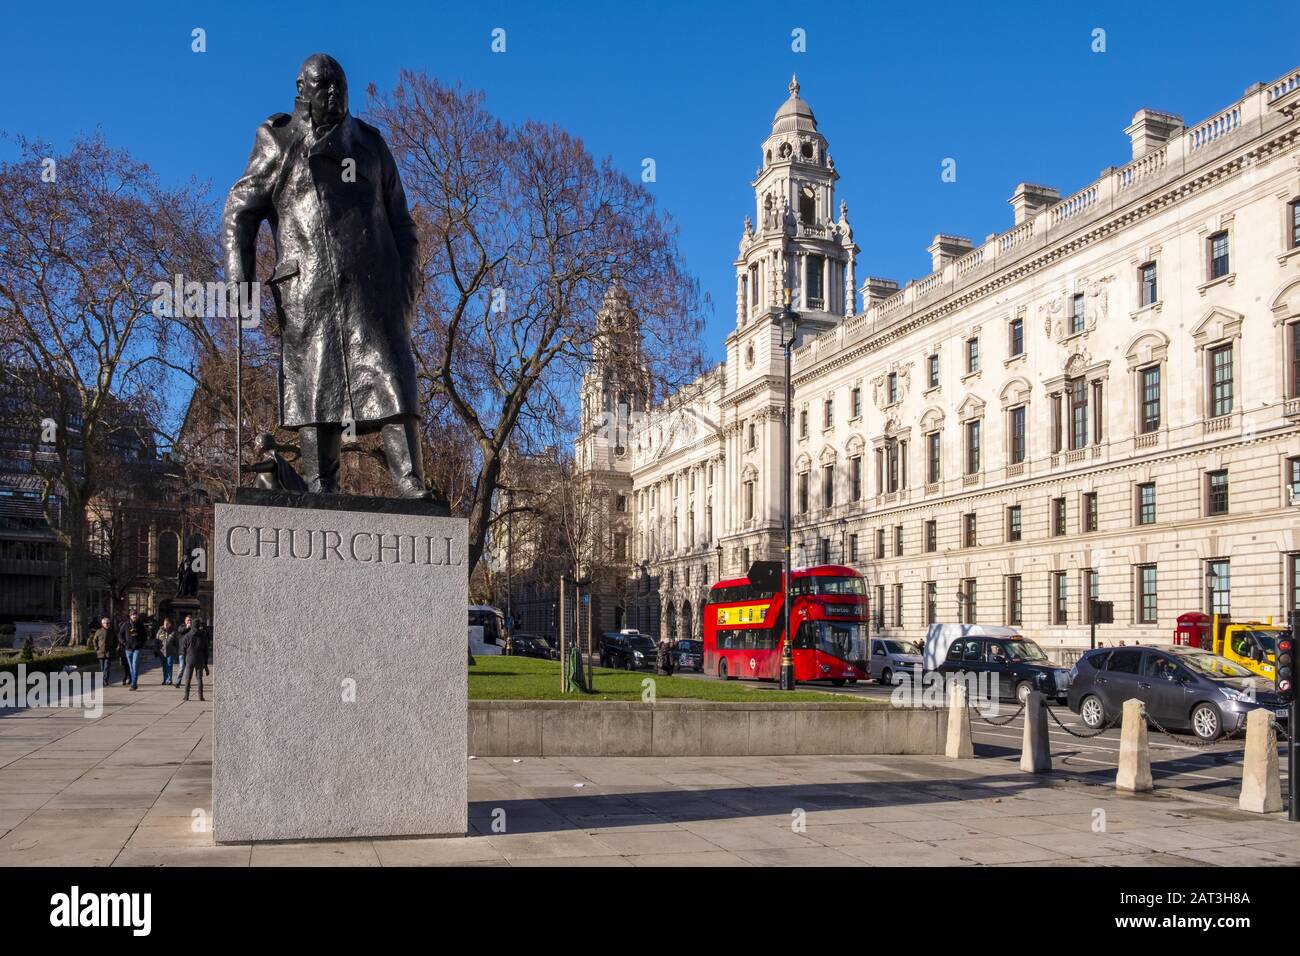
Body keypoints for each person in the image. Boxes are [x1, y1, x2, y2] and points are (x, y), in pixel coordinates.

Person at [179, 616, 210, 702]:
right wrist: (206, 663)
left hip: (189, 659)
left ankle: (186, 696)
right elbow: (206, 650)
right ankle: (200, 696)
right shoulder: (203, 636)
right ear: (199, 625)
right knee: (199, 678)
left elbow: (183, 649)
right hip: (200, 659)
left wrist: (185, 659)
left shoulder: (187, 636)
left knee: (188, 678)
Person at [156, 617, 177, 686]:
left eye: (168, 624)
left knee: (169, 665)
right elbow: (157, 641)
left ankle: (169, 680)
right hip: (162, 652)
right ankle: (165, 679)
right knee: (164, 666)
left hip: (170, 652)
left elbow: (176, 642)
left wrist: (177, 650)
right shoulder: (160, 631)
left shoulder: (173, 631)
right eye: (165, 624)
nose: (166, 625)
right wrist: (156, 650)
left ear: (170, 624)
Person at [93, 617, 114, 684]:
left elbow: (116, 640)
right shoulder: (98, 631)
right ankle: (103, 679)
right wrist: (96, 648)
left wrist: (114, 648)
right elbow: (94, 640)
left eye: (108, 623)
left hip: (109, 652)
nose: (108, 624)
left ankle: (105, 680)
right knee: (102, 668)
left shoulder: (112, 631)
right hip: (100, 652)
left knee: (106, 667)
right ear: (103, 624)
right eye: (106, 623)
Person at [176, 614, 194, 689]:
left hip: (190, 652)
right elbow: (181, 631)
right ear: (185, 621)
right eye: (188, 620)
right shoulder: (182, 627)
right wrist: (187, 627)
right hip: (182, 652)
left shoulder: (193, 629)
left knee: (188, 669)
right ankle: (178, 682)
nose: (189, 622)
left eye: (190, 620)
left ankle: (187, 683)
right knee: (181, 668)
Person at [115, 614, 134, 686]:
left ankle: (128, 677)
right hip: (123, 648)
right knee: (126, 664)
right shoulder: (122, 625)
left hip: (127, 647)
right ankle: (127, 677)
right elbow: (119, 636)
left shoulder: (127, 625)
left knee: (129, 664)